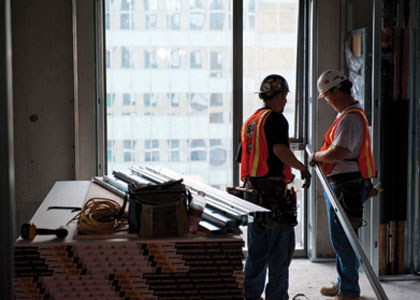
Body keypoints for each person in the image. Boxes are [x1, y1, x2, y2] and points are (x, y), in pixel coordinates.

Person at [238, 74, 311, 300]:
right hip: (273, 196)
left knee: (257, 254)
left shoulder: (251, 122)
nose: (286, 101)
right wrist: (302, 168)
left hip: (253, 195)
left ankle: (250, 296)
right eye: (285, 96)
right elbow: (280, 150)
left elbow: (244, 159)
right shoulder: (277, 119)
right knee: (279, 255)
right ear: (278, 96)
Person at [308, 69, 378, 300]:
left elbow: (339, 152)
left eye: (327, 97)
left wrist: (317, 156)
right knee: (342, 238)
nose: (327, 102)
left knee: (344, 240)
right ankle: (343, 282)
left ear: (336, 91)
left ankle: (349, 291)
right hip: (343, 184)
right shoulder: (348, 115)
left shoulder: (349, 118)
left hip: (345, 186)